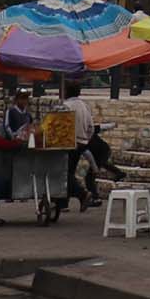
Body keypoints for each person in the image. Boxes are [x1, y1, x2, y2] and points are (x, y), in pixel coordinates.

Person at [62, 79, 102, 211]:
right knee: (70, 172)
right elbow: (91, 127)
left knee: (64, 173)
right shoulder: (85, 106)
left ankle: (82, 194)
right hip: (81, 143)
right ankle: (63, 203)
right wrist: (85, 139)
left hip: (68, 144)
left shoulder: (66, 106)